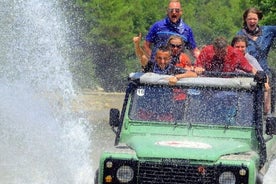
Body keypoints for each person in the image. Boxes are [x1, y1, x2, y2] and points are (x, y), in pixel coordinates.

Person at [231, 35, 271, 114]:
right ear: (232, 47)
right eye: (237, 47)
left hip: (247, 90)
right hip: (232, 88)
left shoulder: (250, 59)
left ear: (246, 47)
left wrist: (266, 83)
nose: (240, 49)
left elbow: (262, 74)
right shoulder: (229, 57)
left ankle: (265, 113)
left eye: (242, 47)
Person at [236, 7, 276, 77]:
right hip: (249, 74)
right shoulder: (240, 35)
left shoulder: (267, 31)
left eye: (254, 19)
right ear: (245, 20)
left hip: (265, 73)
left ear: (258, 19)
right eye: (249, 19)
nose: (252, 21)